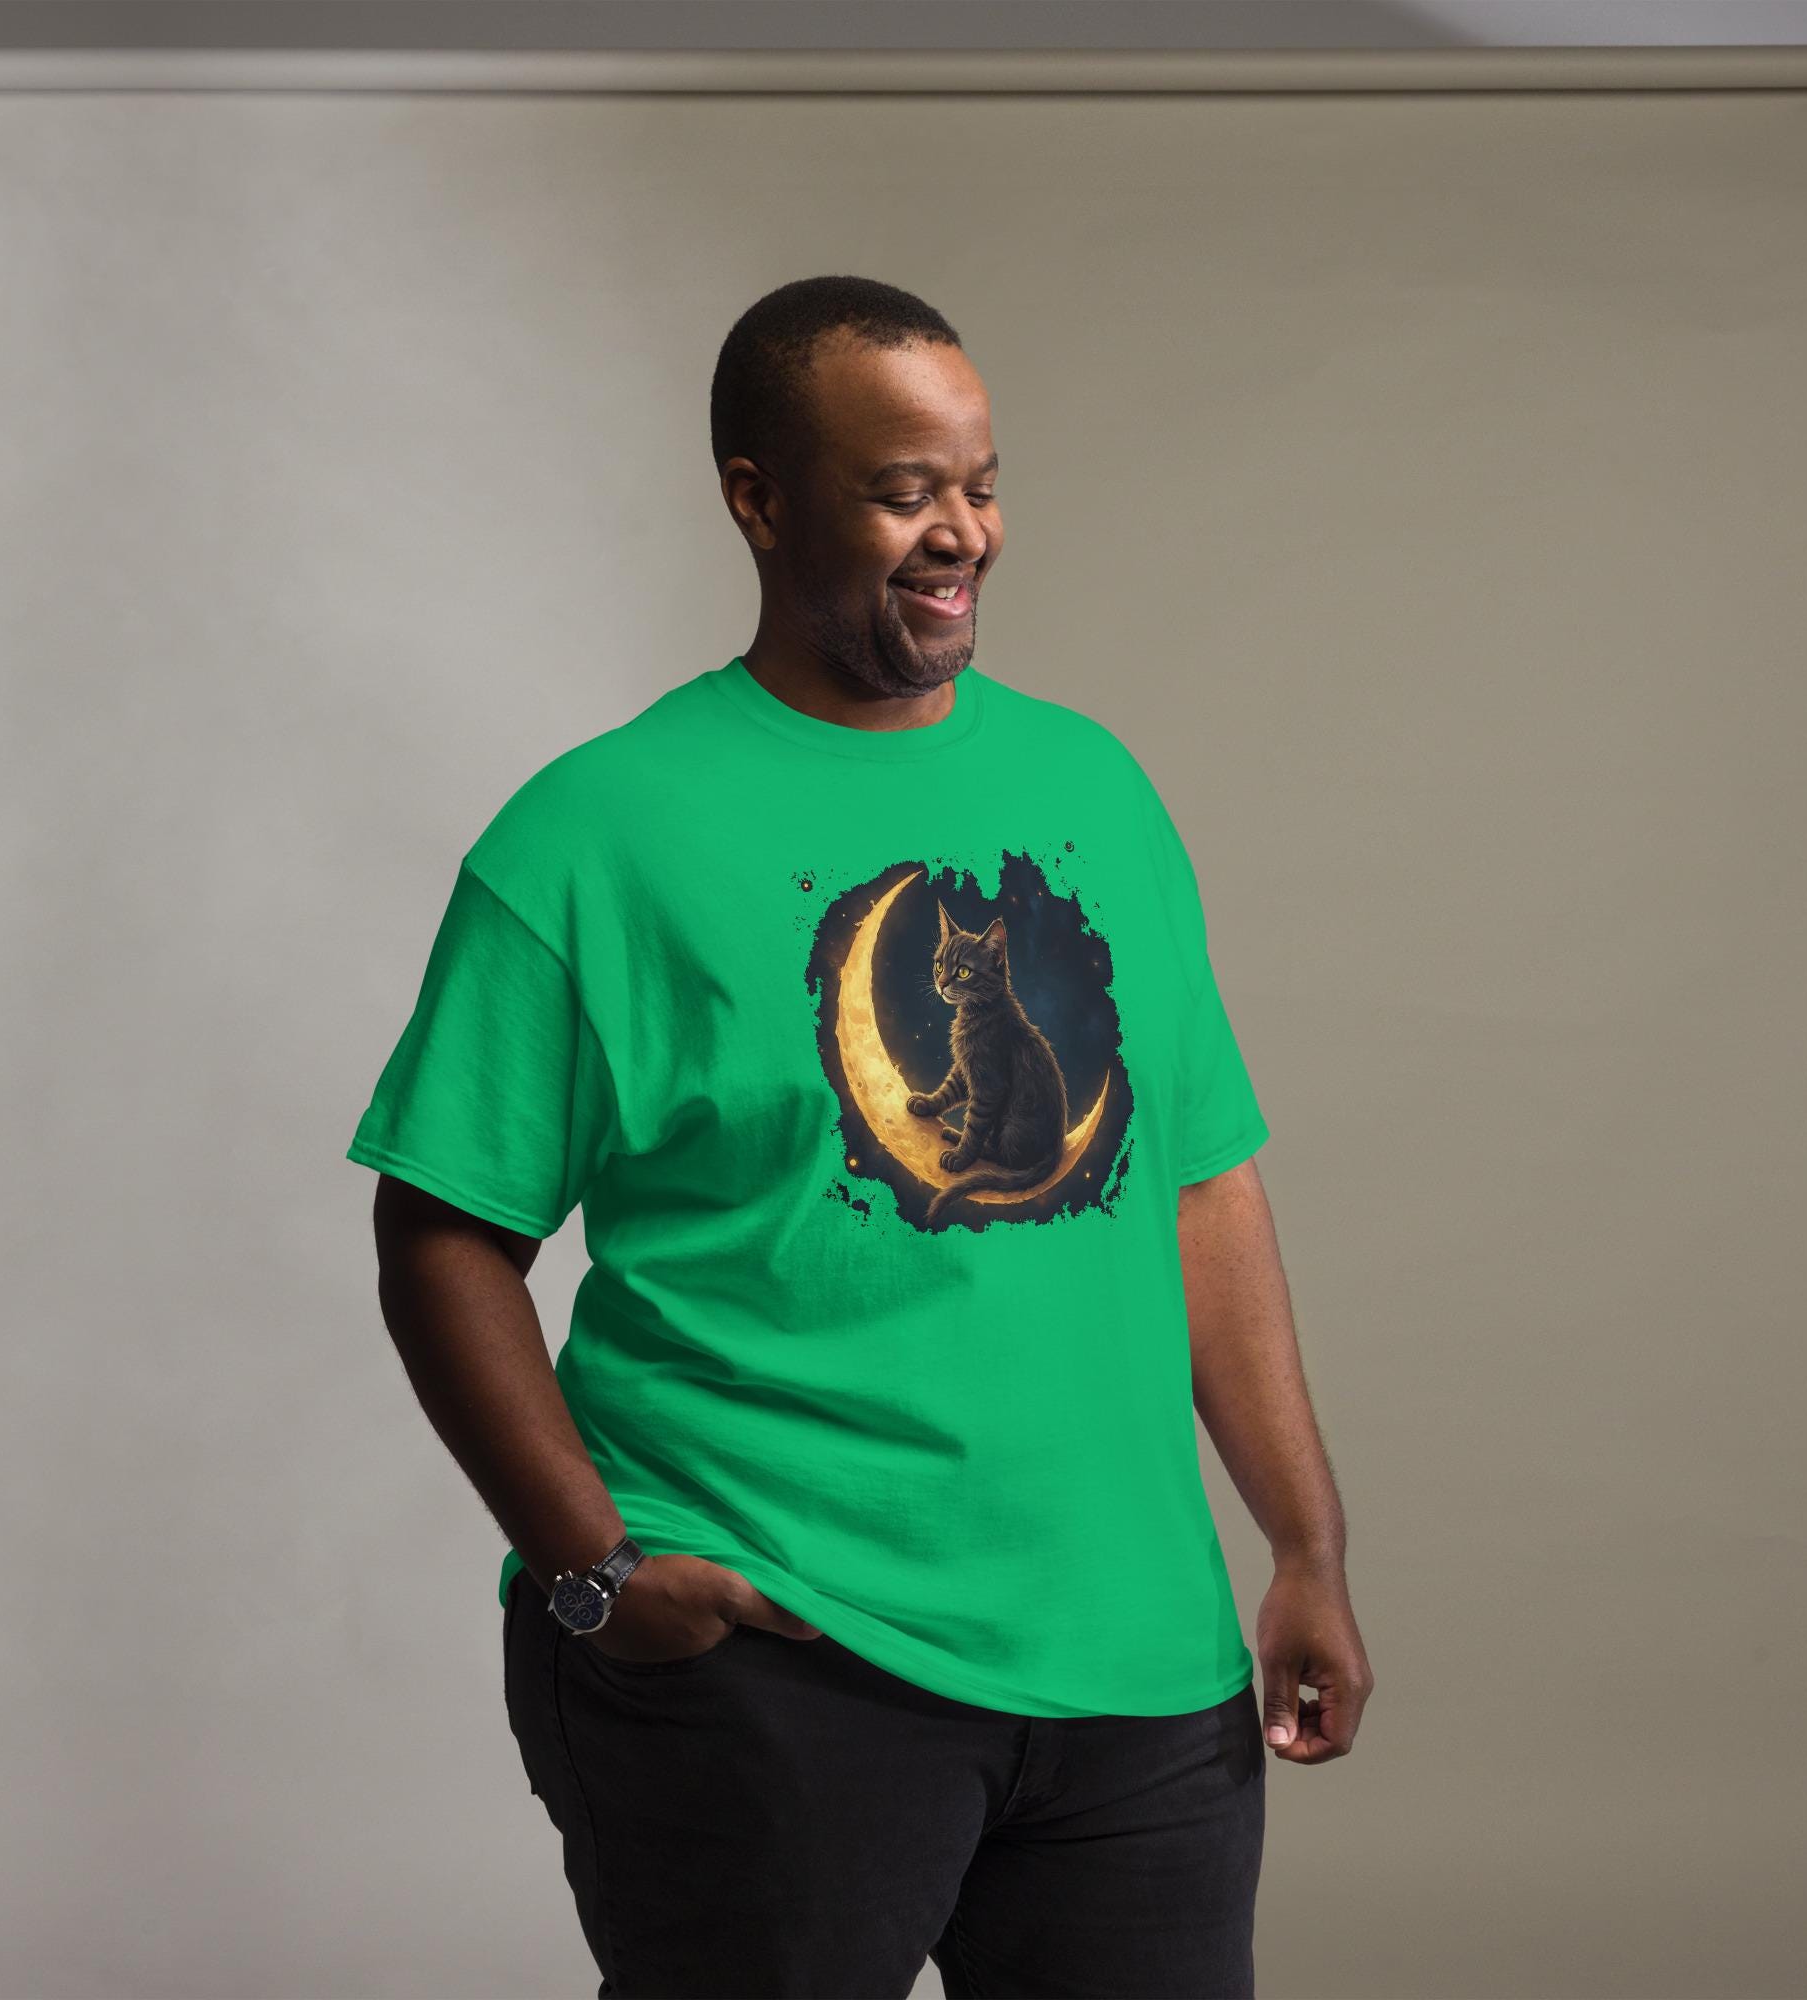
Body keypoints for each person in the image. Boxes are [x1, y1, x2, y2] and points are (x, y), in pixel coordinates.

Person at [348, 274, 1373, 2000]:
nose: (961, 531)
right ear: (759, 499)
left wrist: (1307, 1547)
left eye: (980, 484)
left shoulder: (1095, 790)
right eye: (905, 491)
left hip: (1134, 1668)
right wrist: (597, 1575)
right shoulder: (596, 835)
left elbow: (1201, 1188)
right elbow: (441, 1232)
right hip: (776, 1657)